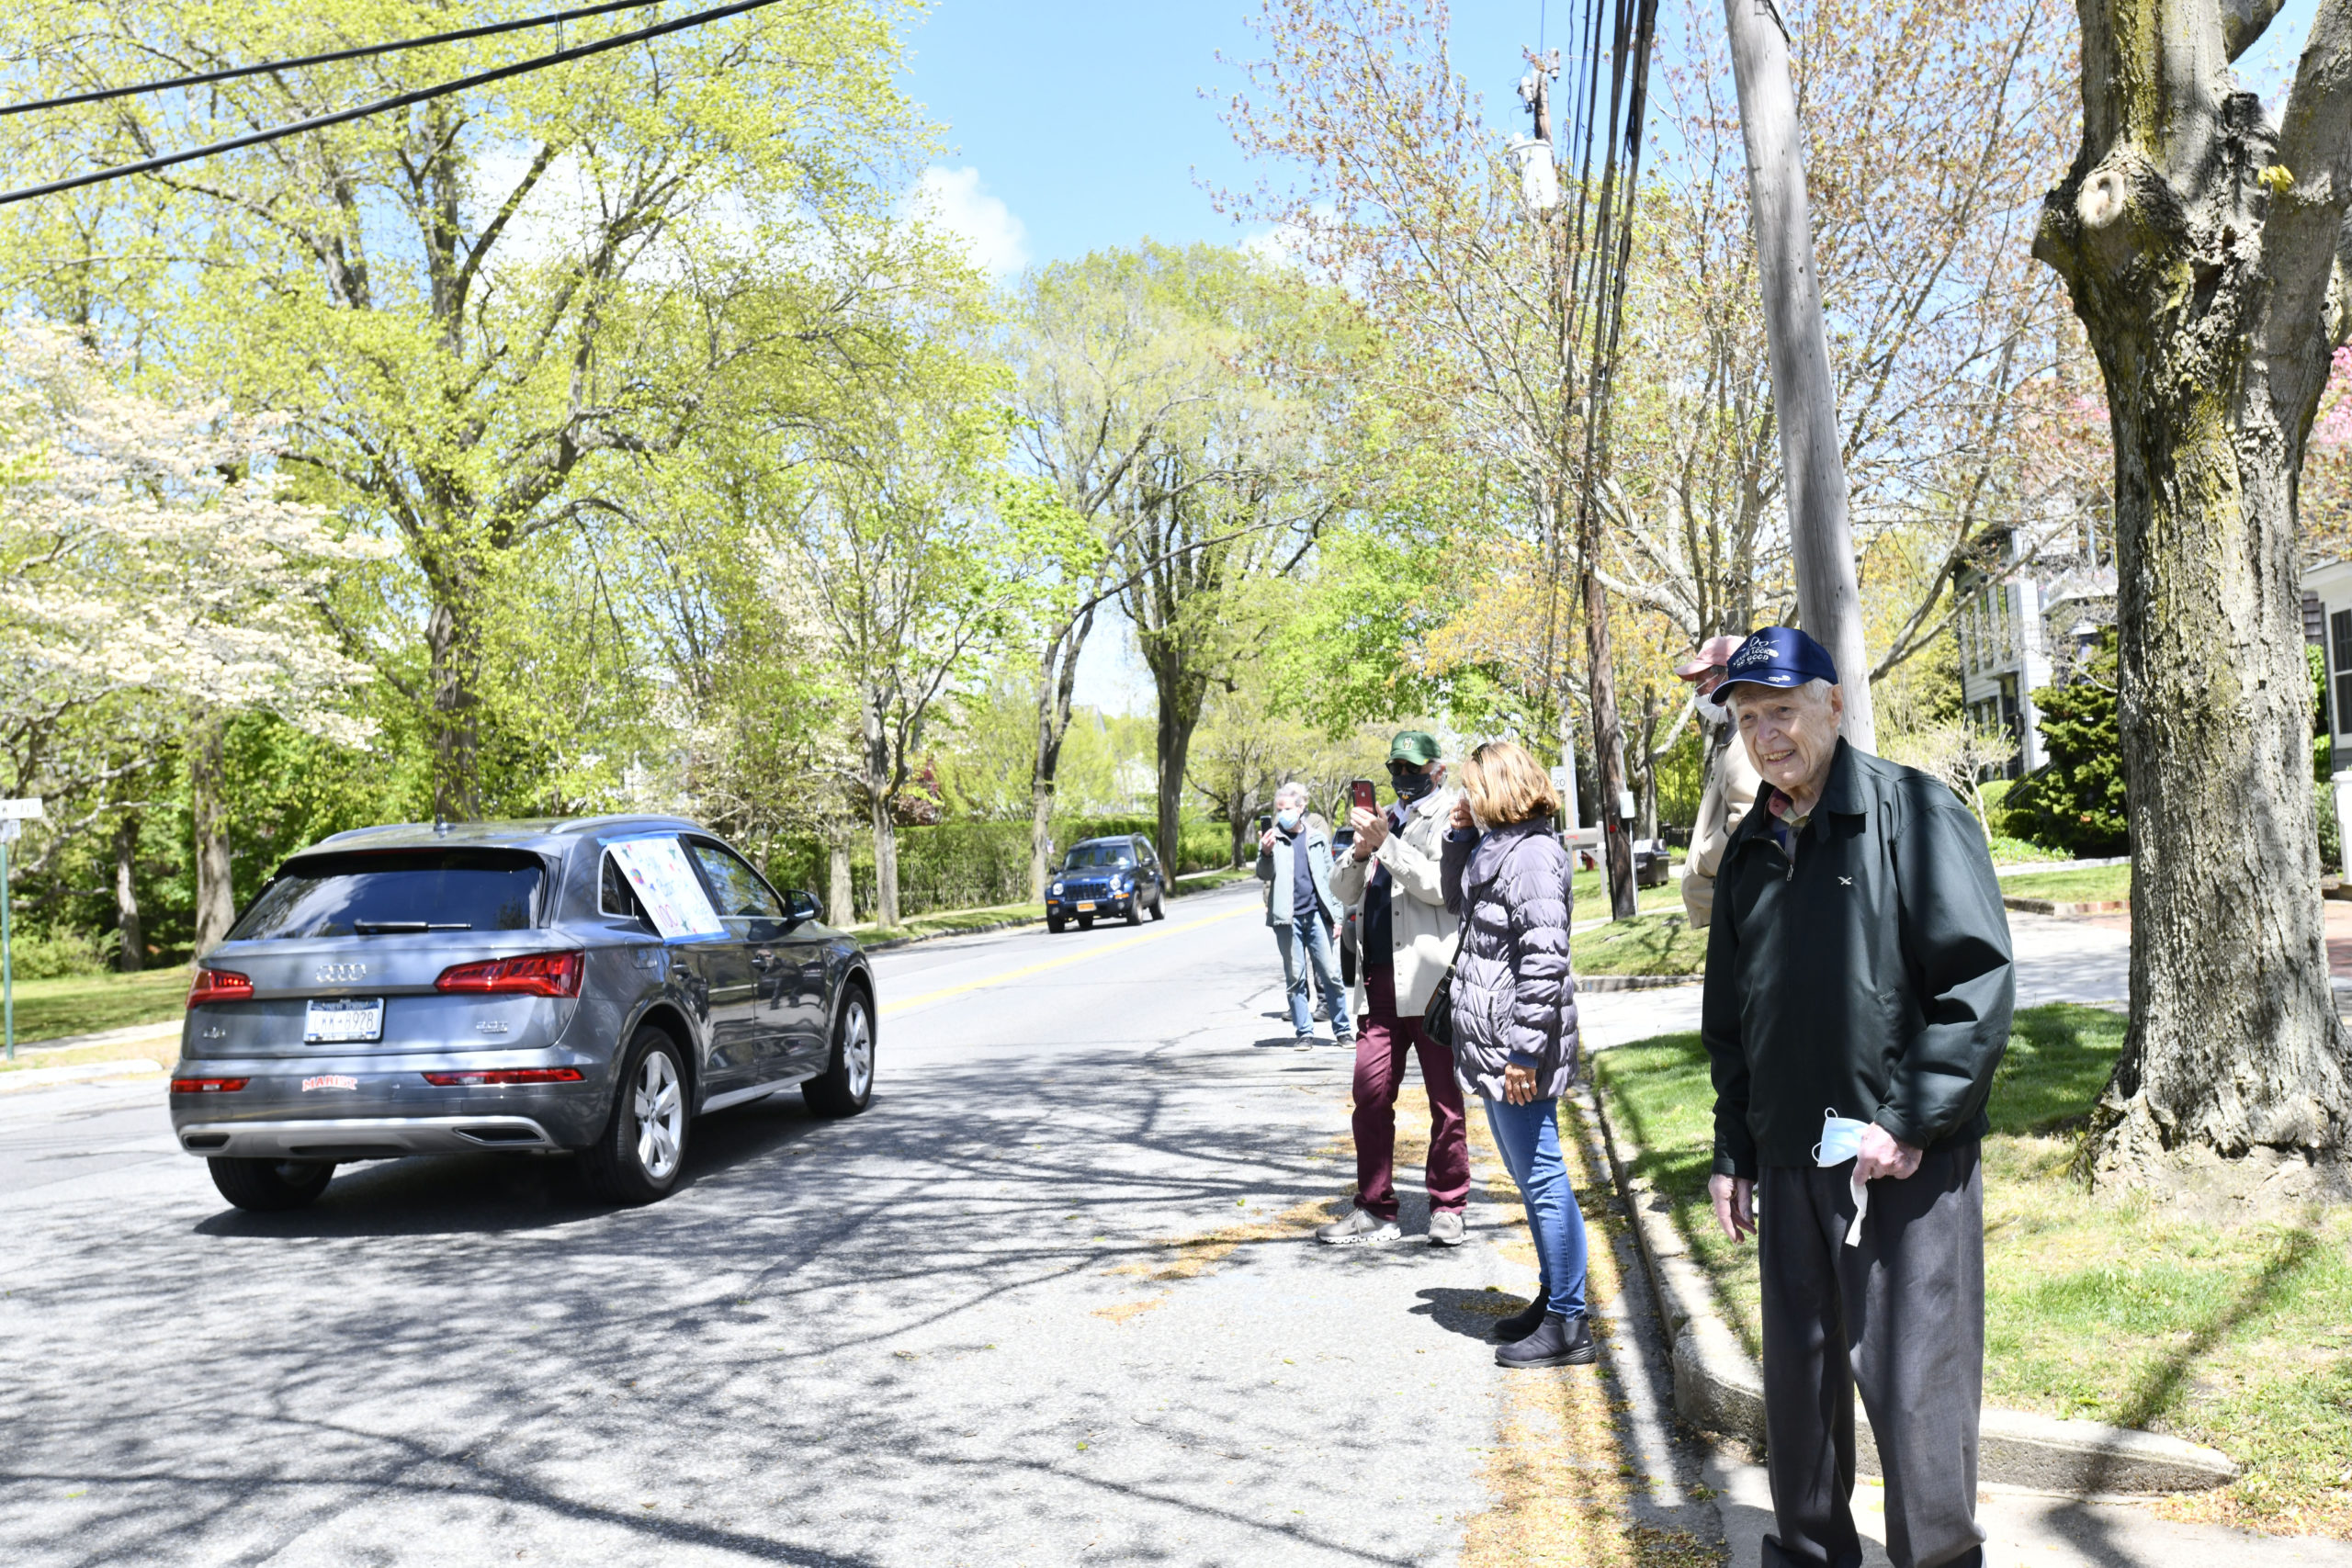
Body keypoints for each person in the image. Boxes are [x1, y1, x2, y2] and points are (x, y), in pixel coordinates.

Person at [1702, 626, 2014, 1568]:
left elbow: (1975, 987)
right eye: (1749, 718)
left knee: (1916, 1389)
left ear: (1833, 705)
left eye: (1783, 711)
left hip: (1902, 1161)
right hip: (1794, 1153)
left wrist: (1910, 1118)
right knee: (1797, 1390)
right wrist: (1734, 1149)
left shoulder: (1910, 813)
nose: (1767, 735)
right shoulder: (1750, 844)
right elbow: (1732, 1018)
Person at [1440, 739, 1596, 1369]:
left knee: (1545, 1179)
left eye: (1474, 787)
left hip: (1518, 1047)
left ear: (1501, 786)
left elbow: (1545, 961)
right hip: (1497, 1042)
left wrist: (1526, 1053)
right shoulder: (1496, 846)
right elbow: (1458, 901)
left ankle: (1568, 1321)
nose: (1467, 797)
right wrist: (1456, 839)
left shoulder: (1532, 855)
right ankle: (1555, 1297)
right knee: (1533, 1183)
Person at [1322, 730, 1471, 1247]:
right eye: (1395, 769)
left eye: (1412, 768)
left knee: (1445, 1103)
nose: (1403, 779)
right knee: (1369, 1096)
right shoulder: (1384, 818)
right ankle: (1376, 1209)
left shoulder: (1453, 815)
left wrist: (1388, 843)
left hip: (1430, 987)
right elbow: (1341, 890)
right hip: (1377, 988)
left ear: (1437, 770)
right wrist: (1362, 850)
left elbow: (1437, 886)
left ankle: (1449, 1207)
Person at [1255, 782, 1353, 1050]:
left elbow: (1331, 878)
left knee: (1332, 975)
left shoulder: (1317, 838)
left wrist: (1337, 917)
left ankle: (1343, 1030)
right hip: (1288, 921)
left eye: (1286, 809)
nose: (1281, 815)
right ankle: (1304, 1033)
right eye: (1278, 810)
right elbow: (1264, 874)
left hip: (1316, 916)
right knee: (1295, 977)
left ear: (1300, 808)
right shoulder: (1273, 839)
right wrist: (1265, 852)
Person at [1676, 632, 1764, 928]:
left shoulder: (1746, 741)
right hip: (1732, 907)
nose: (1698, 692)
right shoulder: (1735, 737)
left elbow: (1749, 819)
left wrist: (1703, 858)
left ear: (1727, 675)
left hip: (1739, 908)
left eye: (1702, 681)